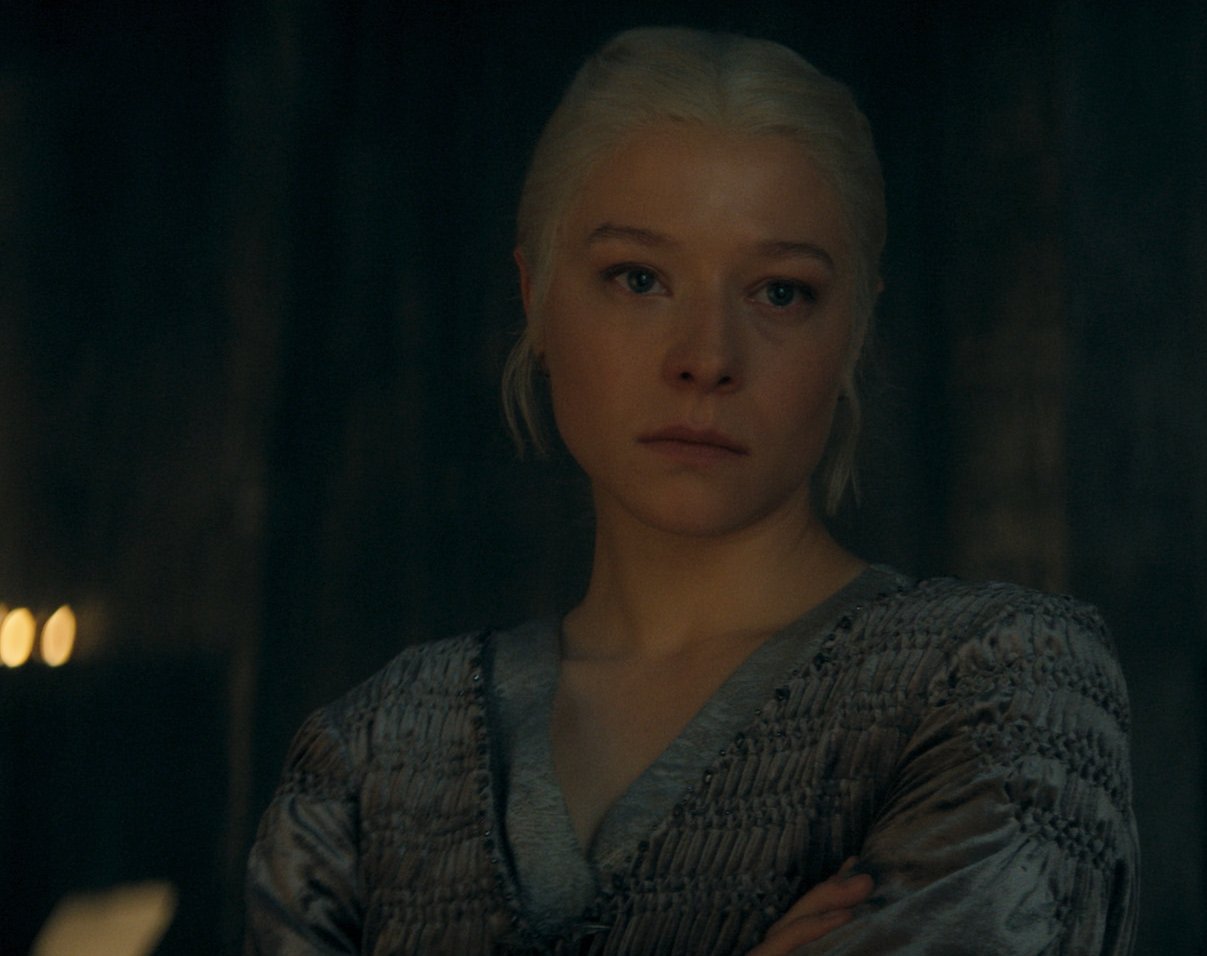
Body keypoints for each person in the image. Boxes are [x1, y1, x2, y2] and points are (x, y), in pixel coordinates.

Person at [245, 26, 1137, 955]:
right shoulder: (372, 753)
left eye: (780, 292)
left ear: (855, 330)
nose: (706, 357)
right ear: (537, 298)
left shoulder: (999, 688)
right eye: (639, 279)